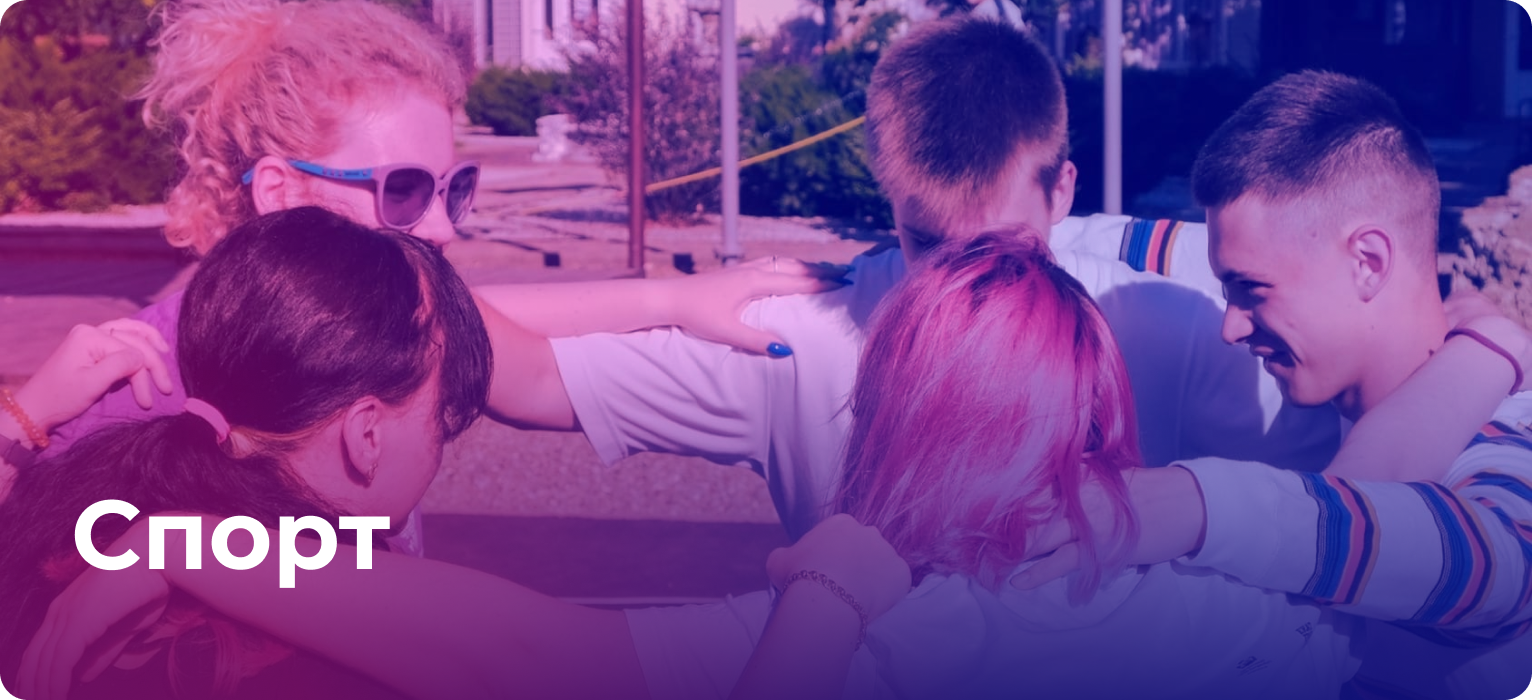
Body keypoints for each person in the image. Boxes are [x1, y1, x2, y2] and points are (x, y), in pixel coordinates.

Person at [15, 233, 1365, 700]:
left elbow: (529, 654)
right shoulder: (1227, 617)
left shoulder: (858, 619)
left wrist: (173, 539)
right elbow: (1399, 564)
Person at [17, 0, 842, 554]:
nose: (445, 226)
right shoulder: (145, 382)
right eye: (404, 191)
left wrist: (675, 297)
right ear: (280, 192)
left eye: (455, 188)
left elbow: (487, 316)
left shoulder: (353, 325)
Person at [1, 206, 908, 700]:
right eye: (446, 419)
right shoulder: (319, 658)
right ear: (365, 434)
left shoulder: (70, 516)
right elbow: (529, 655)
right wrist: (826, 596)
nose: (443, 442)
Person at [1019, 71, 1532, 699]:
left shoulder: (1509, 421)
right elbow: (1102, 239)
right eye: (1226, 286)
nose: (1229, 325)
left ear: (1368, 263)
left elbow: (1502, 563)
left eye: (1251, 290)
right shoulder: (1295, 272)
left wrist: (1197, 503)